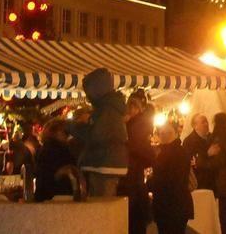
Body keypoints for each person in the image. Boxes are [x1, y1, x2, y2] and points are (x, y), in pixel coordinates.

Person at [70, 67, 128, 198]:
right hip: (104, 164)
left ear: (96, 90)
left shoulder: (107, 110)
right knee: (100, 207)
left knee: (101, 209)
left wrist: (74, 127)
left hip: (104, 165)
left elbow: (96, 135)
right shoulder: (108, 108)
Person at [148, 122, 194, 234]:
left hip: (172, 206)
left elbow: (170, 179)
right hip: (169, 205)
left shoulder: (177, 152)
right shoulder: (165, 152)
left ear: (176, 134)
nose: (164, 135)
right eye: (162, 133)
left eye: (168, 132)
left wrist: (150, 183)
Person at [121, 92, 155, 234]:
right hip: (132, 175)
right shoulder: (138, 123)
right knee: (135, 218)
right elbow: (140, 148)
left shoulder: (136, 123)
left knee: (132, 218)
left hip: (131, 174)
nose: (131, 109)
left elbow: (137, 147)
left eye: (134, 106)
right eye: (131, 106)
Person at [34, 118, 76, 202]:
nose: (68, 135)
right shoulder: (59, 149)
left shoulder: (45, 149)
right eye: (65, 132)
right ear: (57, 132)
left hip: (45, 195)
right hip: (58, 196)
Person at [183, 113, 215, 189]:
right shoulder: (189, 142)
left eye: (206, 121)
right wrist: (207, 154)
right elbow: (191, 163)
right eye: (203, 122)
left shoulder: (212, 137)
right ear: (195, 126)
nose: (206, 124)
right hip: (201, 183)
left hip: (214, 182)